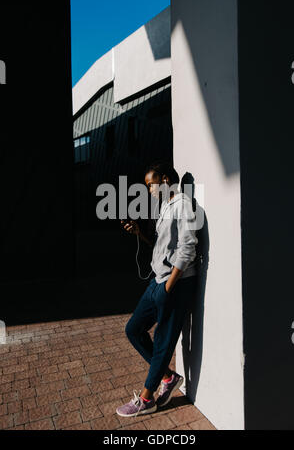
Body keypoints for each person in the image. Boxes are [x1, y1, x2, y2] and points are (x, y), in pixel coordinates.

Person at [116, 161, 199, 418]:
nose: (149, 190)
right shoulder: (166, 205)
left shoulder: (183, 204)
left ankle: (146, 399)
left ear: (164, 180)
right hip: (158, 281)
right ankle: (168, 377)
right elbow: (162, 247)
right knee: (134, 329)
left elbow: (188, 248)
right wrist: (139, 232)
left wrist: (168, 288)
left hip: (176, 284)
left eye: (150, 184)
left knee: (163, 343)